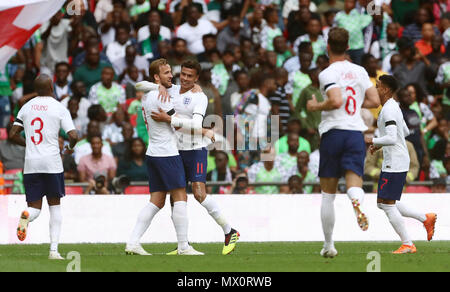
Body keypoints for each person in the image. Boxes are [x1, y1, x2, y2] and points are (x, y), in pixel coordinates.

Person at [139, 59, 239, 255]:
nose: (184, 79)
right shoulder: (171, 89)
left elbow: (195, 124)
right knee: (176, 198)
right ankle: (182, 244)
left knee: (199, 193)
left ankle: (229, 231)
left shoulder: (199, 97)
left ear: (197, 78)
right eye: (182, 74)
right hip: (176, 149)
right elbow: (139, 85)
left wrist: (170, 119)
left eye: (189, 76)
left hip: (195, 149)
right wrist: (156, 84)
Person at [306, 27, 380, 258]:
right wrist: (356, 103)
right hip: (355, 133)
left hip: (333, 133)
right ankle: (356, 200)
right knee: (354, 183)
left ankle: (329, 246)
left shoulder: (327, 73)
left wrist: (315, 106)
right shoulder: (360, 70)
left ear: (328, 46)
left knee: (328, 194)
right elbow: (375, 99)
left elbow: (336, 101)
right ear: (348, 46)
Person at [126, 58, 203, 256]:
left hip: (153, 152)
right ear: (156, 76)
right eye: (167, 73)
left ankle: (133, 242)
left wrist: (158, 86)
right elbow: (176, 124)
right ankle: (183, 246)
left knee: (157, 201)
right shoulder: (161, 96)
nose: (171, 76)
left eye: (170, 71)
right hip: (167, 153)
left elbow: (141, 85)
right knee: (180, 196)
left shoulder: (150, 94)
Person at [365, 75, 437, 254]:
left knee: (387, 204)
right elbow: (403, 131)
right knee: (384, 203)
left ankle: (408, 243)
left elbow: (391, 136)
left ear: (386, 90)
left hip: (394, 162)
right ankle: (425, 218)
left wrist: (372, 140)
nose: (375, 89)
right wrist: (379, 144)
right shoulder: (393, 107)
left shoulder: (389, 109)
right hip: (395, 159)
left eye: (378, 86)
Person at [9, 75, 78, 260]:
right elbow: (73, 135)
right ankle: (54, 251)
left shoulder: (26, 107)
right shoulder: (58, 107)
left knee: (35, 208)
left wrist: (29, 145)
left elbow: (12, 134)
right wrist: (69, 149)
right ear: (51, 87)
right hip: (52, 163)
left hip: (31, 164)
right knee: (55, 207)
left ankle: (27, 214)